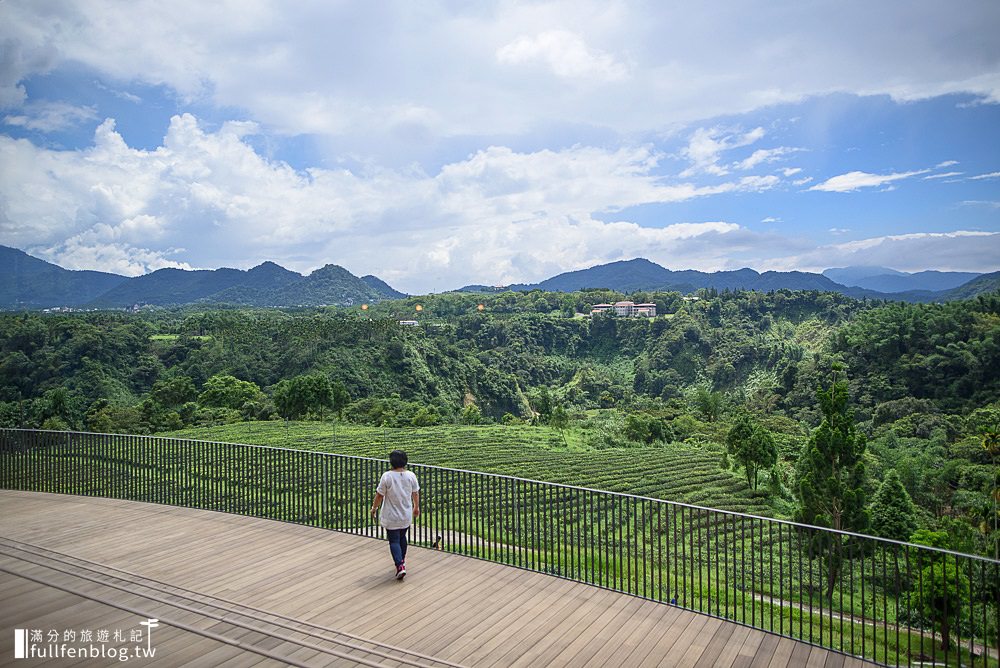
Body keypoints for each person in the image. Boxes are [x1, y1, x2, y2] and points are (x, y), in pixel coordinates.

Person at [370, 450, 420, 579]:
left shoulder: (387, 476)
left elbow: (379, 495)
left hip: (391, 515)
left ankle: (400, 565)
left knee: (394, 540)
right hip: (406, 513)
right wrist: (416, 508)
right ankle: (401, 562)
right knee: (402, 537)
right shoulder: (411, 475)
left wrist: (374, 508)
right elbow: (415, 493)